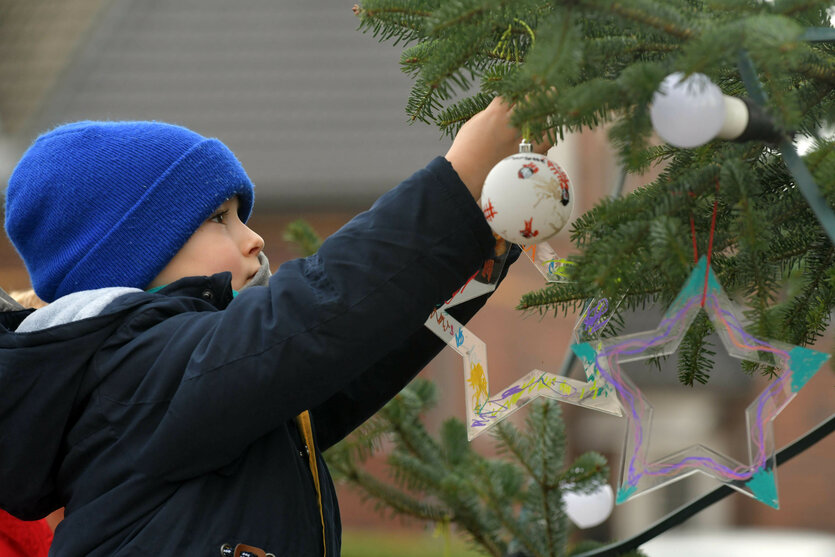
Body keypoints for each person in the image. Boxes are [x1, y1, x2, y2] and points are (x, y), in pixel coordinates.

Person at [0, 99, 546, 556]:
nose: (254, 238)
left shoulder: (216, 393)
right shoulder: (135, 375)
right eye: (219, 218)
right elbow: (315, 310)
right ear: (133, 258)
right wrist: (459, 179)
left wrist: (486, 230)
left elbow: (360, 346)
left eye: (243, 215)